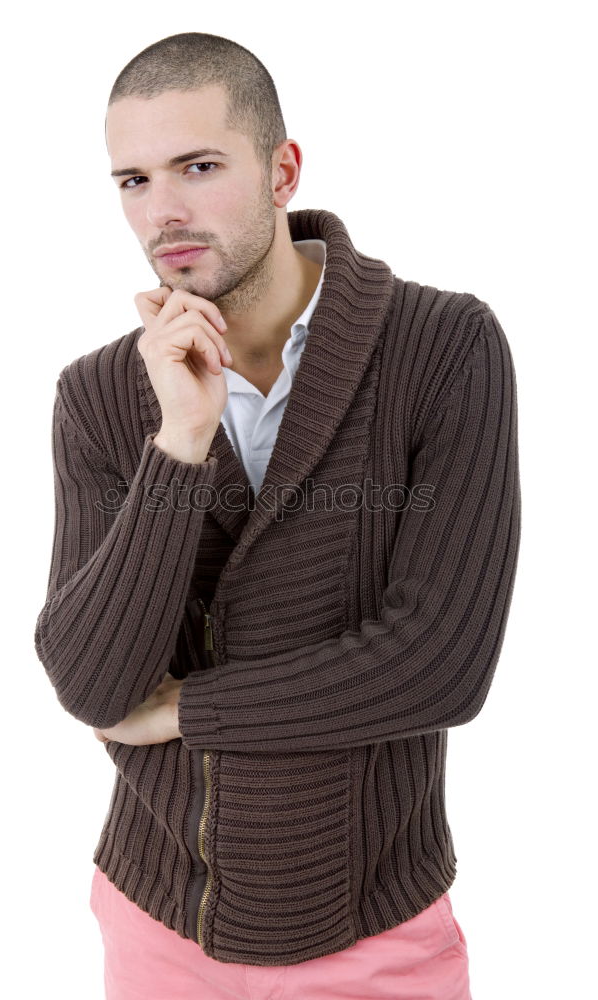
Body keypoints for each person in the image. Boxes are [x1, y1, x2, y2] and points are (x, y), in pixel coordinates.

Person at [34, 30, 521, 1000]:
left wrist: (188, 708)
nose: (162, 211)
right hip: (160, 920)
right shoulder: (99, 394)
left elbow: (439, 662)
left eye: (198, 166)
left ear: (282, 170)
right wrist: (178, 444)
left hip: (373, 928)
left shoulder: (442, 348)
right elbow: (92, 685)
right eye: (131, 180)